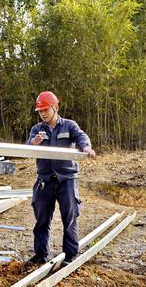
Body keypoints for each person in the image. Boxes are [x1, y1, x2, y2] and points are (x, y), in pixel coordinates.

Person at [26, 91, 96, 267]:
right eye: (40, 110)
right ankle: (41, 255)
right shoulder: (37, 130)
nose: (42, 113)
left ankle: (70, 255)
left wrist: (86, 147)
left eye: (45, 109)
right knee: (41, 219)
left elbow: (81, 137)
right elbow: (26, 147)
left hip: (67, 179)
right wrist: (33, 143)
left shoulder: (69, 126)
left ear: (55, 108)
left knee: (70, 217)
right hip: (45, 180)